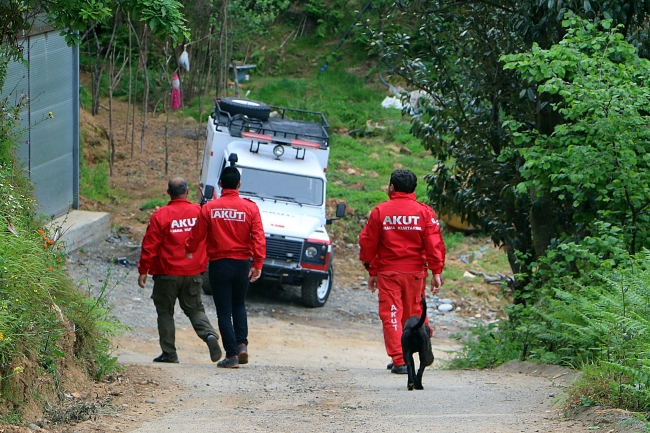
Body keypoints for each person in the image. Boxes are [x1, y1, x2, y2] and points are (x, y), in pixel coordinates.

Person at [359, 169, 446, 374]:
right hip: (416, 274)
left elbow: (368, 243)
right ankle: (419, 349)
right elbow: (434, 243)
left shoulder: (381, 211)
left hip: (389, 273)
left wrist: (372, 269)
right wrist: (436, 271)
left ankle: (400, 359)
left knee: (392, 315)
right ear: (413, 189)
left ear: (391, 187)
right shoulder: (424, 212)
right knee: (414, 315)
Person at [185, 167, 266, 369]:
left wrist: (189, 249)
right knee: (239, 305)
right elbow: (259, 238)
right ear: (239, 185)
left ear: (220, 184)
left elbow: (196, 235)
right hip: (242, 265)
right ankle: (242, 345)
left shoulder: (210, 208)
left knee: (223, 310)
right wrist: (257, 264)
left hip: (220, 265)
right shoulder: (251, 208)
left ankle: (231, 356)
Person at [138, 177, 222, 364]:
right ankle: (209, 336)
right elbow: (211, 238)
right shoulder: (200, 212)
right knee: (194, 309)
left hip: (166, 273)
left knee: (165, 312)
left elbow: (149, 246)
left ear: (168, 193)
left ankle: (169, 354)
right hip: (193, 273)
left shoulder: (160, 215)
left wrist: (143, 270)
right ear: (187, 191)